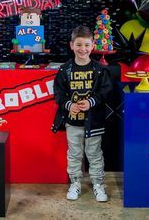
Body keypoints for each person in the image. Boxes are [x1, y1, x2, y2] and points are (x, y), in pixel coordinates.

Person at [51, 26, 113, 202]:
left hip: (94, 121)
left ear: (93, 45)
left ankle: (98, 184)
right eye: (78, 44)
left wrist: (91, 101)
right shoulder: (65, 70)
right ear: (71, 45)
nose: (82, 49)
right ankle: (75, 183)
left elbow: (106, 91)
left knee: (94, 153)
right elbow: (58, 94)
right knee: (74, 153)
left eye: (86, 45)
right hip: (73, 122)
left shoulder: (99, 70)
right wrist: (69, 105)